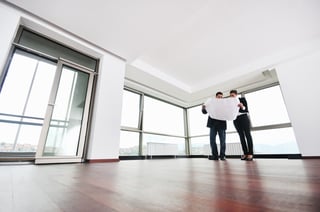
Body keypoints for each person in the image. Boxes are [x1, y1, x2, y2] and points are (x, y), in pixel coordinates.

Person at [229, 89, 254, 161]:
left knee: (247, 135)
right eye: (230, 96)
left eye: (232, 95)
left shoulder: (242, 99)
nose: (231, 97)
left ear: (236, 95)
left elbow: (246, 109)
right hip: (236, 120)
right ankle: (245, 153)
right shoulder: (230, 103)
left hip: (243, 117)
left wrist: (242, 106)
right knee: (241, 136)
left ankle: (250, 153)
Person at [202, 91, 227, 161]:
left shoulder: (225, 104)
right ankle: (215, 156)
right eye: (219, 97)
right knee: (212, 140)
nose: (220, 98)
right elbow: (204, 112)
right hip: (212, 124)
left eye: (221, 97)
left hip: (222, 125)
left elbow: (229, 112)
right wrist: (203, 107)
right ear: (216, 97)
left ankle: (222, 156)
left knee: (223, 141)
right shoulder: (211, 103)